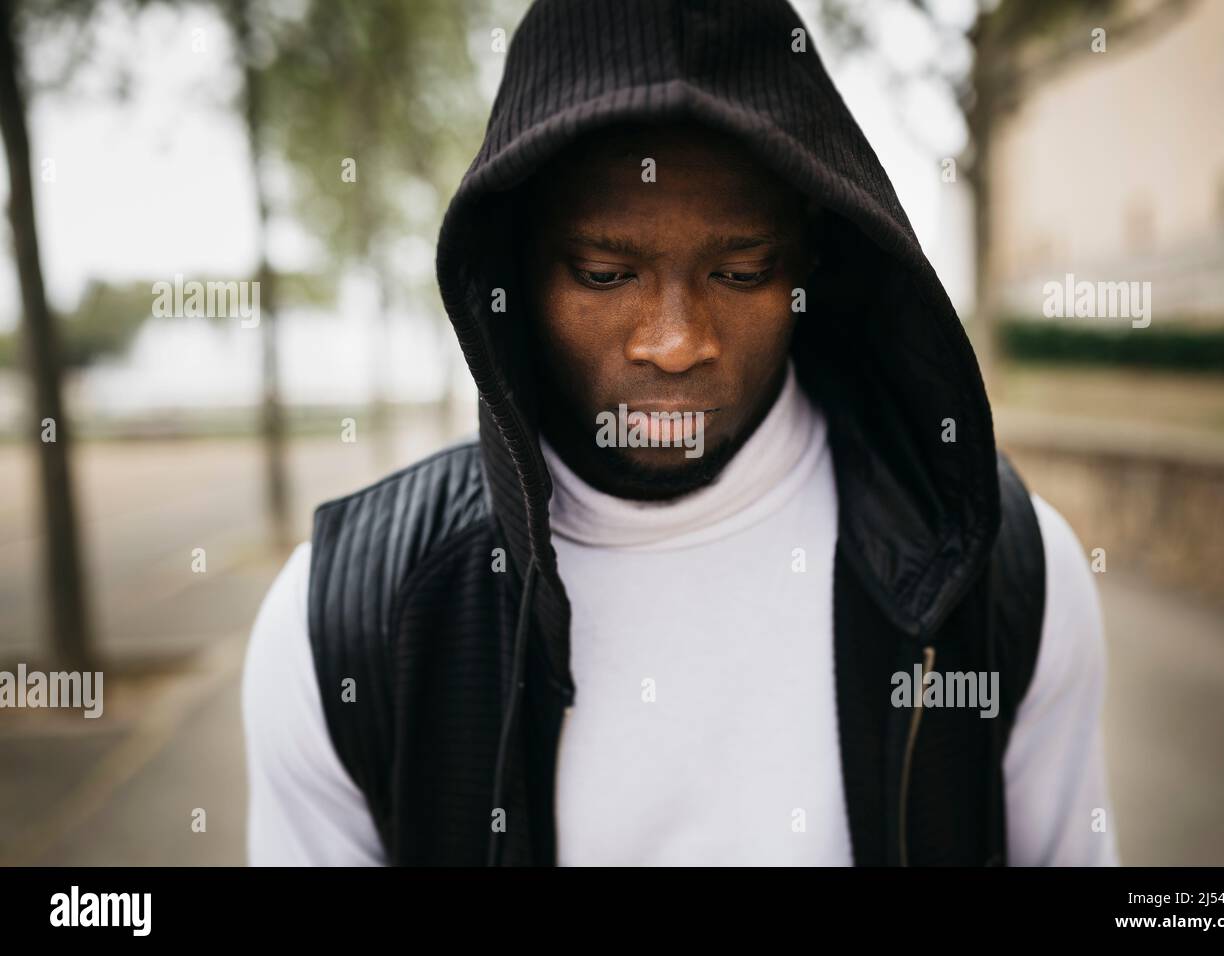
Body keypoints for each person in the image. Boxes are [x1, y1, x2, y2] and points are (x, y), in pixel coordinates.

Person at [242, 0, 1119, 866]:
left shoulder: (1003, 570)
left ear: (811, 264)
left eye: (739, 272)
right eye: (605, 272)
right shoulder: (343, 615)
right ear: (513, 269)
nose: (674, 343)